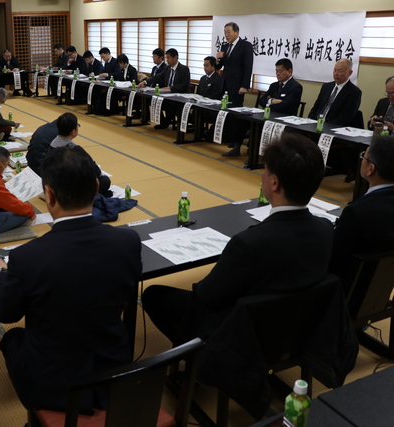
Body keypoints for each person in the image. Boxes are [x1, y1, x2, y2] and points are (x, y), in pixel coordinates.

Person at [0, 144, 142, 412]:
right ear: (96, 187)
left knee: (13, 338)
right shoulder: (128, 241)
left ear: (49, 194)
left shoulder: (27, 256)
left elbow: (7, 313)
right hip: (114, 374)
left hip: (55, 386)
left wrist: (0, 273)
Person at [142, 133, 332, 348]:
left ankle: (197, 355)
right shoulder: (326, 229)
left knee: (154, 295)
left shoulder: (249, 242)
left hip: (243, 334)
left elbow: (208, 295)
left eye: (265, 170)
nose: (262, 176)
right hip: (297, 328)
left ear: (274, 182)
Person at [330, 135, 394, 294]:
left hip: (348, 292)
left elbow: (334, 261)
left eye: (363, 155)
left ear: (371, 168)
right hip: (382, 289)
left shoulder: (357, 212)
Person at [48, 113, 112, 196]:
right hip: (69, 190)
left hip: (53, 185)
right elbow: (95, 171)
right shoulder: (75, 149)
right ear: (73, 132)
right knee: (105, 180)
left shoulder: (52, 144)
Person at [214, 22, 254, 156]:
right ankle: (228, 138)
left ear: (237, 32)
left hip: (237, 86)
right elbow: (219, 67)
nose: (226, 35)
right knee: (226, 112)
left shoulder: (245, 46)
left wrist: (245, 85)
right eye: (225, 32)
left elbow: (248, 66)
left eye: (229, 32)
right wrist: (218, 59)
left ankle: (236, 145)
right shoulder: (225, 46)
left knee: (236, 114)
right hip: (225, 84)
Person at [137, 48, 190, 129]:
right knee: (154, 99)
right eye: (166, 58)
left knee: (171, 104)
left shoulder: (184, 69)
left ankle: (167, 123)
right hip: (167, 93)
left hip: (179, 94)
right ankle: (163, 122)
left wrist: (171, 88)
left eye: (169, 58)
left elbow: (184, 85)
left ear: (175, 57)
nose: (167, 60)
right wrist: (145, 82)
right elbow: (158, 77)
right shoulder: (168, 68)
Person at [308, 59, 362, 127]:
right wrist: (310, 120)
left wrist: (325, 126)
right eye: (335, 70)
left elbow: (345, 118)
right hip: (316, 123)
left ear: (350, 73)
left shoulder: (354, 92)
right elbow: (316, 107)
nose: (336, 74)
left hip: (332, 127)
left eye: (340, 71)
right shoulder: (326, 86)